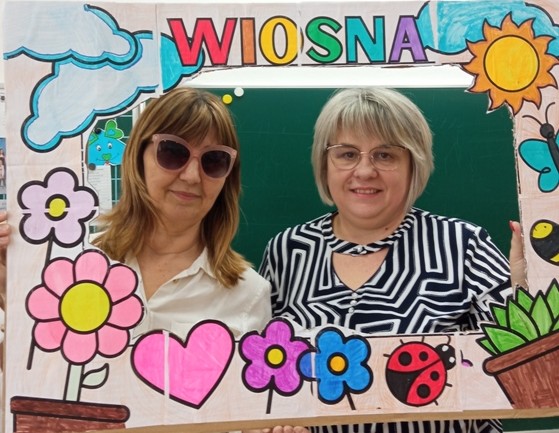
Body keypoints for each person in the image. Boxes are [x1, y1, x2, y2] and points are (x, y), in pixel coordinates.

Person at [258, 87, 516, 433]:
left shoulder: (464, 246)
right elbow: (263, 375)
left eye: (385, 155)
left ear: (413, 165)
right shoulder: (287, 252)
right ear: (324, 164)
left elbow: (520, 366)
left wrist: (528, 293)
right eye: (347, 154)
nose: (364, 171)